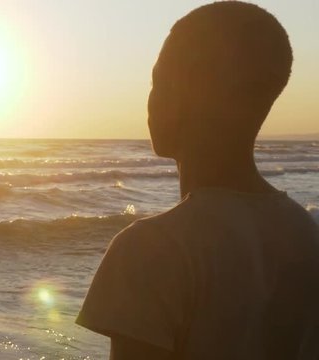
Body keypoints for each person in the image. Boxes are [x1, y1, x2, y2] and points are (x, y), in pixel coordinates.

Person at [76, 2, 319, 359]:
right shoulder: (306, 234)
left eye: (157, 81)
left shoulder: (151, 249)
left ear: (180, 89)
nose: (149, 101)